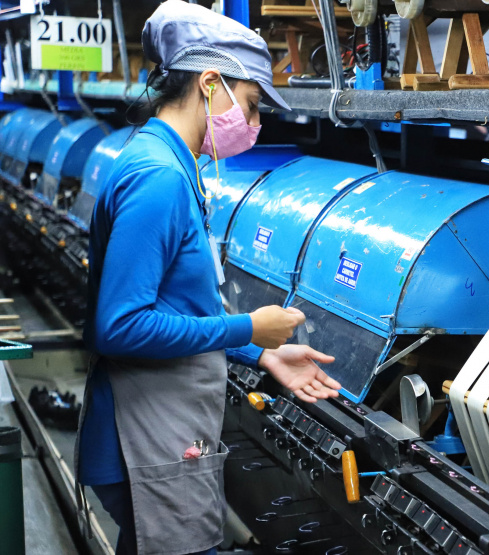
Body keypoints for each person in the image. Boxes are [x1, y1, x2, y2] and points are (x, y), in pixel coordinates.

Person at [75, 2, 342, 554]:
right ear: (209, 82)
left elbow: (177, 301)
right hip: (143, 440)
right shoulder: (158, 179)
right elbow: (120, 326)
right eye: (249, 105)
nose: (254, 123)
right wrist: (245, 328)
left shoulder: (170, 162)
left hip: (159, 431)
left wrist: (261, 355)